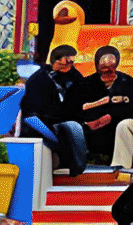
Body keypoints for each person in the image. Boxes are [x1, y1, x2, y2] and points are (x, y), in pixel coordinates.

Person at [69, 46, 133, 176]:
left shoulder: (128, 83)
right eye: (103, 61)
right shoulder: (83, 84)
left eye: (111, 61)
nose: (107, 65)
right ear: (97, 62)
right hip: (91, 131)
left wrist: (112, 115)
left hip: (117, 131)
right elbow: (74, 108)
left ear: (117, 62)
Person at [23, 44, 90, 177]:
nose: (69, 65)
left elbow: (81, 99)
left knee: (74, 127)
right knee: (70, 128)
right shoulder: (40, 77)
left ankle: (77, 168)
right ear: (55, 60)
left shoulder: (75, 77)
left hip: (67, 119)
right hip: (42, 121)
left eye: (72, 61)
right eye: (66, 61)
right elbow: (30, 106)